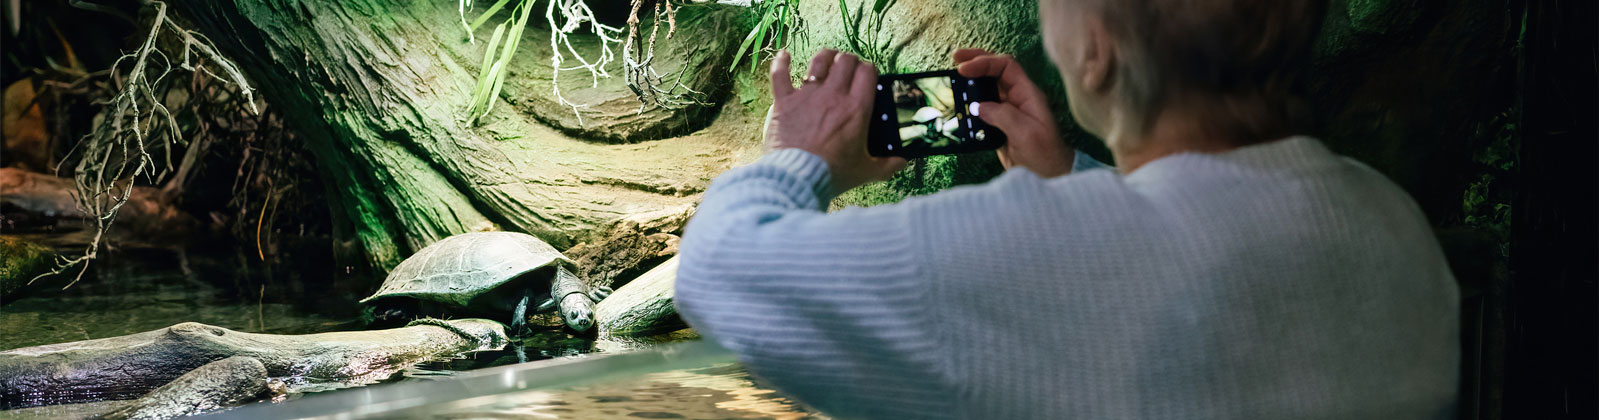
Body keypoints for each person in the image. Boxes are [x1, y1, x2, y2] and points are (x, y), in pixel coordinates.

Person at [673, 0, 1460, 418]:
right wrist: (1066, 178)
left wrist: (799, 157)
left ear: (1095, 52)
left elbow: (719, 268)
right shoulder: (1390, 220)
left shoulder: (1028, 253)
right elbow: (1193, 261)